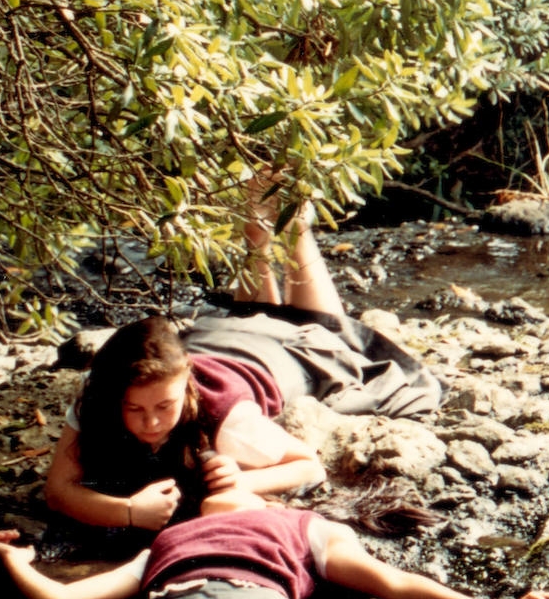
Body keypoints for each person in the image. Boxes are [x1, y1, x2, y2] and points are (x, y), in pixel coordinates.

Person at [37, 174, 439, 534]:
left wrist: (243, 480)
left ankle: (295, 221)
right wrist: (126, 511)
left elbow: (308, 465)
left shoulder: (228, 420)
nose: (152, 422)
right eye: (134, 409)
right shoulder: (99, 390)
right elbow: (58, 491)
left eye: (164, 406)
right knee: (245, 314)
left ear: (185, 390)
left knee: (316, 324)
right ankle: (259, 230)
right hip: (215, 340)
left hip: (278, 358)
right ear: (113, 395)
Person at [0, 456, 539, 599]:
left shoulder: (305, 527)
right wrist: (13, 559)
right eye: (210, 490)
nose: (221, 490)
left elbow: (390, 584)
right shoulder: (165, 543)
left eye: (240, 484)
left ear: (276, 504)